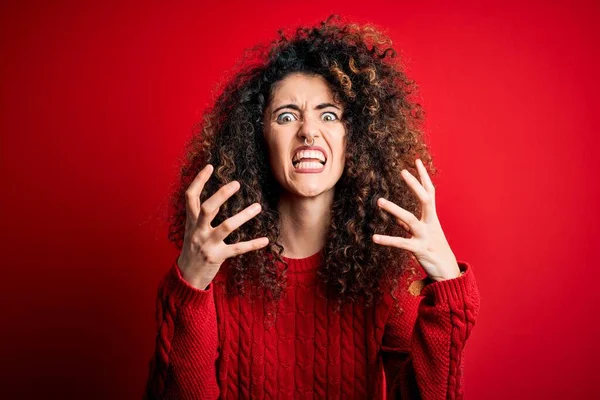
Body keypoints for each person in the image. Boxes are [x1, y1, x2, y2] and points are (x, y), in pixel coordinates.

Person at [143, 15, 480, 400]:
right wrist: (190, 284)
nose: (308, 130)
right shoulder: (215, 266)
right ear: (259, 140)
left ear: (357, 139)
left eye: (329, 114)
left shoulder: (384, 272)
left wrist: (448, 290)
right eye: (286, 116)